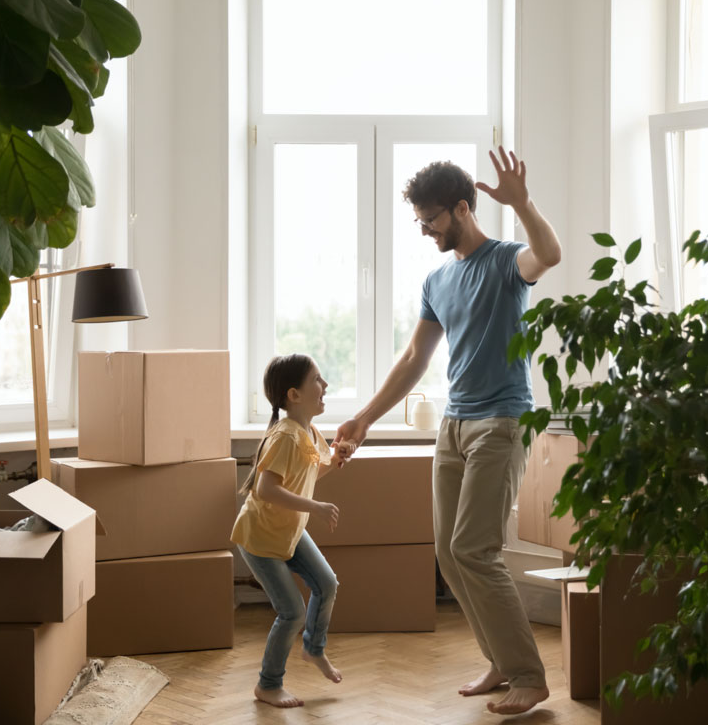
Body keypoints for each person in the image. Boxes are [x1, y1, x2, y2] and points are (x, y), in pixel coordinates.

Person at [337, 147, 562, 716]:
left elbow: (549, 254)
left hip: (502, 422)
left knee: (474, 549)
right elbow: (415, 356)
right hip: (455, 424)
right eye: (418, 220)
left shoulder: (507, 262)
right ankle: (500, 660)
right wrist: (364, 418)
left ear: (462, 209)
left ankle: (530, 677)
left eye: (430, 219)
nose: (423, 230)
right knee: (449, 551)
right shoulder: (438, 279)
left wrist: (525, 203)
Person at [231, 354, 354, 708]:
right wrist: (315, 507)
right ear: (293, 395)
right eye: (317, 379)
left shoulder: (308, 432)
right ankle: (267, 685)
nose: (325, 385)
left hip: (288, 530)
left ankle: (313, 650)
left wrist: (337, 458)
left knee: (327, 583)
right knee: (292, 611)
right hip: (261, 538)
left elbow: (311, 474)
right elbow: (264, 489)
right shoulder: (285, 436)